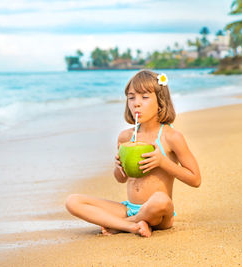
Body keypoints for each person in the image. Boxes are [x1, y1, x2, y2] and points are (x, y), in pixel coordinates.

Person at [65, 70, 201, 237]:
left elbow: (195, 179)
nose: (136, 103)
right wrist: (119, 167)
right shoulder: (126, 137)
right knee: (73, 201)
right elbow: (121, 179)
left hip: (159, 213)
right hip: (129, 208)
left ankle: (122, 224)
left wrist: (162, 162)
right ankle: (133, 225)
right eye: (131, 97)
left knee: (161, 199)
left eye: (144, 97)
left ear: (160, 102)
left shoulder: (171, 137)